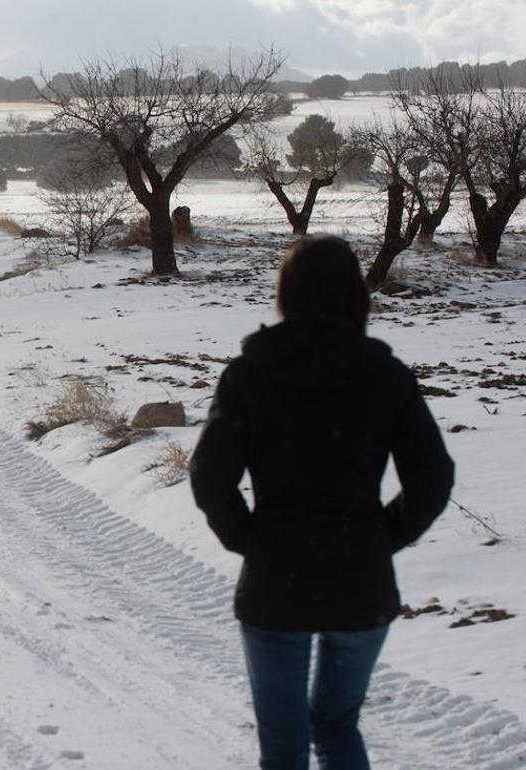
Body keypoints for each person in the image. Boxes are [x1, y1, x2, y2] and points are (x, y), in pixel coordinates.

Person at [188, 236, 454, 770]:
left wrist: (253, 541)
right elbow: (434, 477)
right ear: (357, 295)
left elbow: (208, 476)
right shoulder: (385, 374)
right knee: (336, 727)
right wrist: (382, 537)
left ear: (285, 294)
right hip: (362, 582)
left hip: (275, 583)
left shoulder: (251, 373)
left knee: (284, 748)